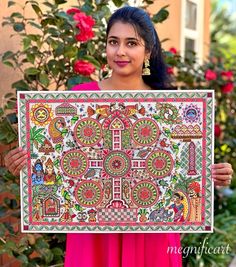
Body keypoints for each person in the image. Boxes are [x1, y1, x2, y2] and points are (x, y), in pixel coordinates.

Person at [4, 6, 233, 267]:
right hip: (93, 236)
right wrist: (24, 165)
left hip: (152, 236)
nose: (120, 51)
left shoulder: (172, 106)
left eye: (131, 43)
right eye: (113, 42)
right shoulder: (78, 99)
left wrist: (212, 174)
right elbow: (55, 164)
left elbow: (184, 171)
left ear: (148, 51)